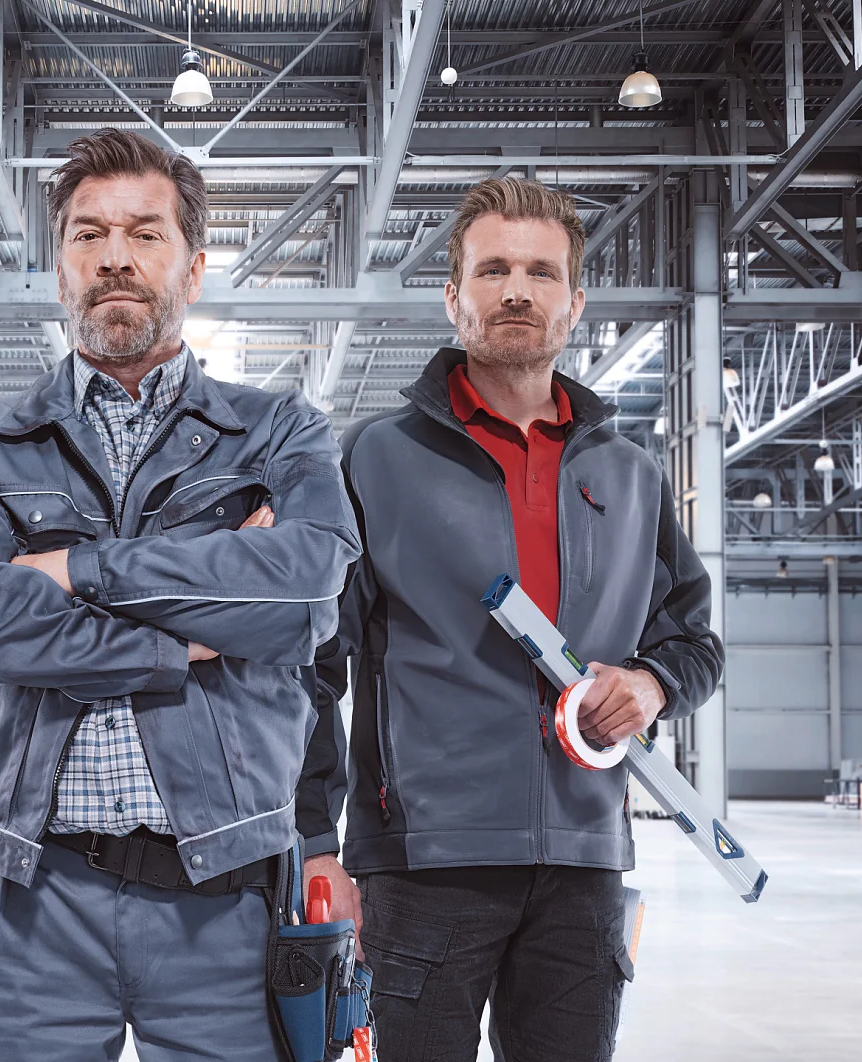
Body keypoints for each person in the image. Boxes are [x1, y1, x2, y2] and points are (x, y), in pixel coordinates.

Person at [0, 129, 361, 1062]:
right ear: (58, 268)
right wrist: (181, 634)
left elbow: (305, 594)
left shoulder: (279, 432)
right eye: (87, 235)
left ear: (192, 268)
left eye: (144, 234)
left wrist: (76, 571)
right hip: (25, 903)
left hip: (224, 897)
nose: (114, 256)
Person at [297, 176, 724, 1062]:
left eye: (541, 271)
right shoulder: (376, 459)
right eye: (492, 271)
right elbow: (312, 663)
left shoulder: (633, 476)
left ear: (575, 301)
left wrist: (649, 684)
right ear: (454, 297)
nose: (517, 291)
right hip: (421, 867)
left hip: (586, 865)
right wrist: (313, 837)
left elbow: (692, 641)